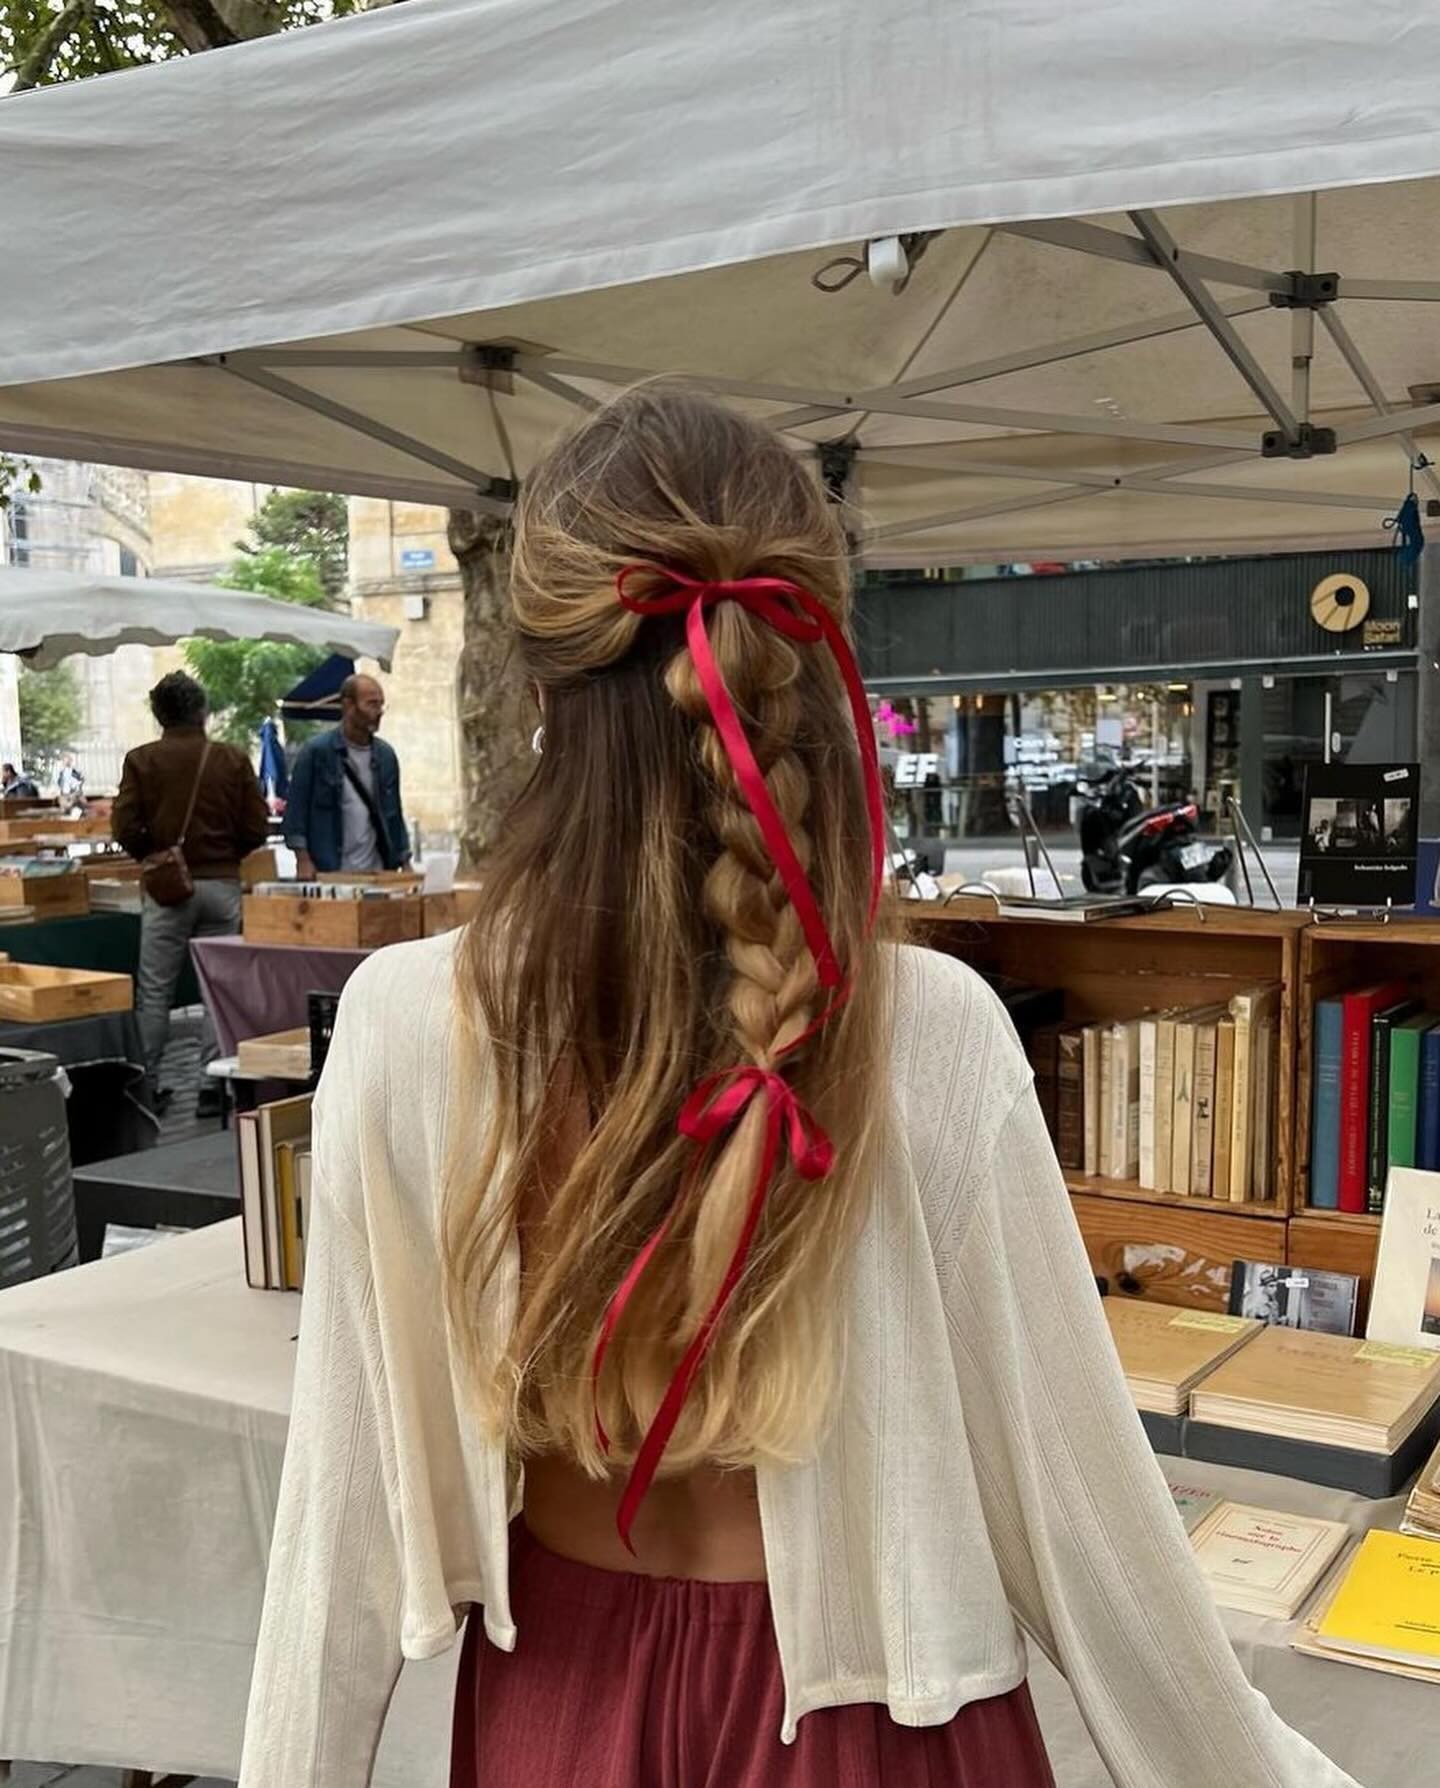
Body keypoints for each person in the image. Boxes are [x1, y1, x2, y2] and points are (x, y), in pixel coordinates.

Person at [239, 391, 1361, 1787]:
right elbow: (1085, 1521)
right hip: (888, 1739)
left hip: (560, 1723)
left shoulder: (407, 1028)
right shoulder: (932, 1031)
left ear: (535, 690)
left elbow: (333, 1531)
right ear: (811, 674)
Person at [113, 671, 268, 1104]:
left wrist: (156, 854)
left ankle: (148, 1084)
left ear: (159, 714)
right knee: (217, 986)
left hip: (166, 889)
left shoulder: (141, 760)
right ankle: (211, 1083)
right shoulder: (231, 759)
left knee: (156, 988)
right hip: (221, 884)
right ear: (202, 711)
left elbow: (124, 824)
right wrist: (228, 854)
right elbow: (256, 825)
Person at [283, 674, 410, 877]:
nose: (378, 712)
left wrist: (404, 860)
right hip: (331, 868)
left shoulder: (385, 756)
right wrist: (303, 859)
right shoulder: (316, 752)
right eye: (371, 704)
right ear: (348, 705)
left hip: (377, 870)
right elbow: (296, 812)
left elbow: (393, 812)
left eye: (380, 705)